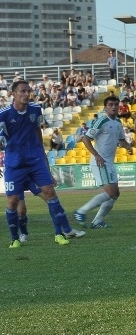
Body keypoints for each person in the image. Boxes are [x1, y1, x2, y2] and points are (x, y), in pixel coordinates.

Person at [2, 81, 85, 248]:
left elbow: (37, 131)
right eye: (22, 91)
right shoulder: (3, 114)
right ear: (13, 94)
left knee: (50, 193)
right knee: (13, 202)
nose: (26, 94)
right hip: (15, 164)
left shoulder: (35, 109)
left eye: (28, 91)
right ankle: (15, 238)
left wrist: (44, 159)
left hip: (35, 161)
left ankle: (60, 234)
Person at [74, 96, 133, 229]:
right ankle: (81, 211)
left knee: (115, 194)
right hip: (100, 162)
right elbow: (85, 138)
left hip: (109, 162)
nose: (114, 107)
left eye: (116, 104)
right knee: (110, 193)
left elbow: (121, 141)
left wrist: (128, 146)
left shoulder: (118, 122)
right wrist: (96, 155)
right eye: (110, 105)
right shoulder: (101, 121)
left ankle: (97, 221)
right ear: (105, 108)